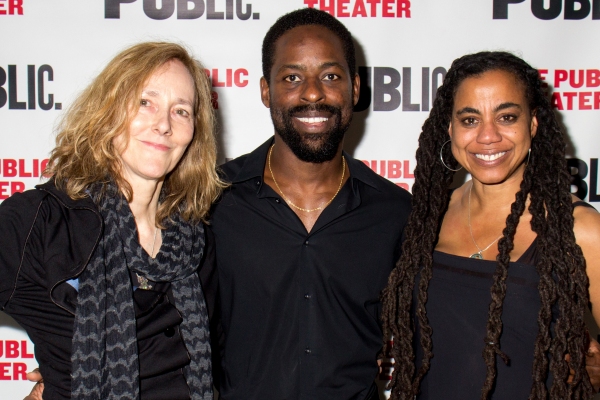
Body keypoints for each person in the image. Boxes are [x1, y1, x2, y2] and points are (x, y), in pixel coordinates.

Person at [0, 42, 225, 399]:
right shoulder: (42, 221)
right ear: (108, 111)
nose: (163, 124)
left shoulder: (196, 239)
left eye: (181, 111)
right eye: (144, 102)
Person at [208, 8, 412, 400]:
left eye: (331, 76)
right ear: (266, 90)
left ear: (355, 88)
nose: (314, 93)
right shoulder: (212, 202)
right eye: (292, 78)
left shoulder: (395, 213)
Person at [381, 51, 600, 399]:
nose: (488, 136)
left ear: (533, 124)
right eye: (469, 120)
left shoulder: (580, 230)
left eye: (507, 116)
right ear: (449, 128)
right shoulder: (424, 220)